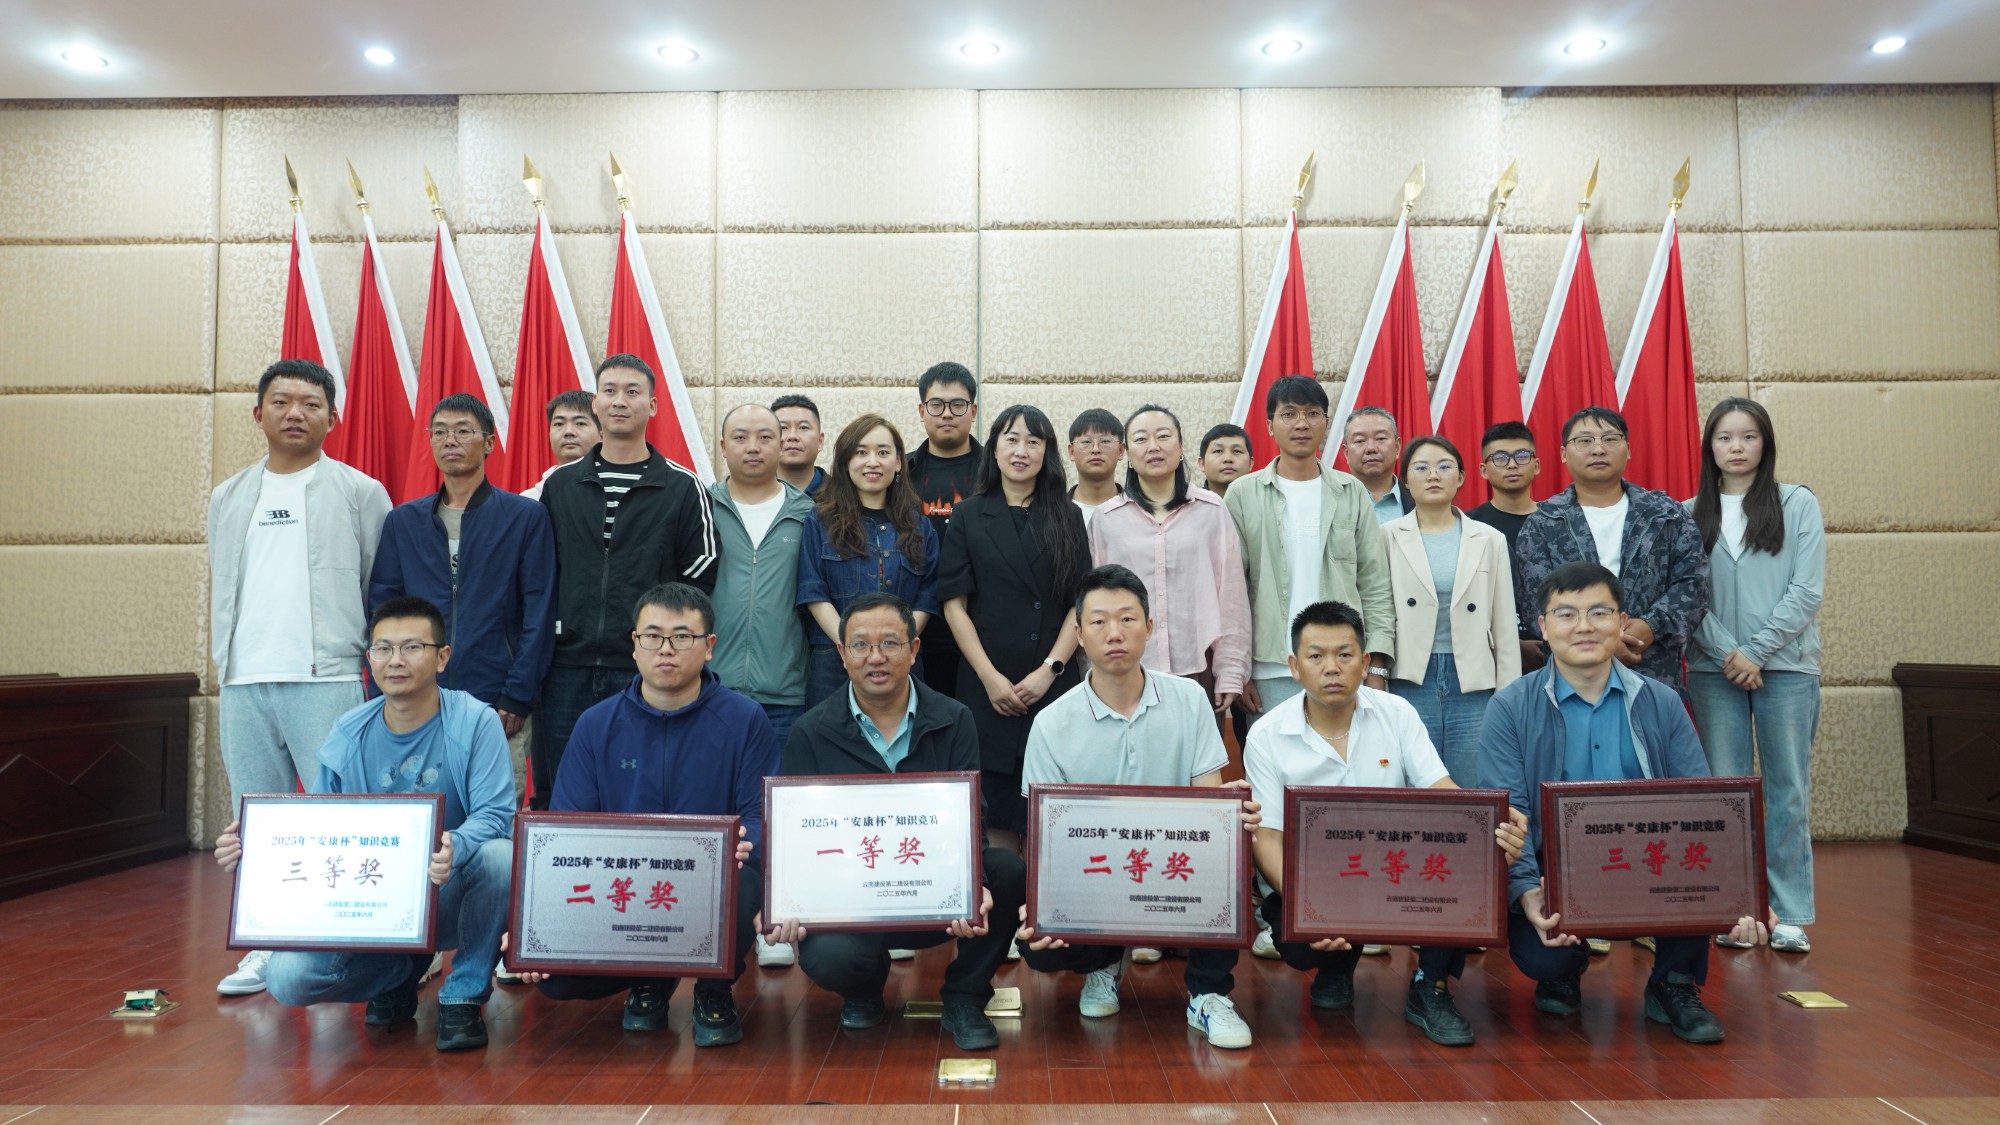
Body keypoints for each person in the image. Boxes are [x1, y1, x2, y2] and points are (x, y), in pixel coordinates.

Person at [1479, 562, 1771, 1044]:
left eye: (1599, 613)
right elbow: (1511, 817)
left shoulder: (1663, 702)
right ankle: (1561, 972)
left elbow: (1706, 810)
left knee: (1691, 870)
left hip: (1651, 869)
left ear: (1621, 621)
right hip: (1557, 877)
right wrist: (1528, 889)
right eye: (1567, 614)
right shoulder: (1510, 707)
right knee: (1542, 953)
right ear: (1543, 627)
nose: (1585, 626)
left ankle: (1674, 984)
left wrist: (1745, 895)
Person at [211, 596, 515, 1050]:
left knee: (500, 856)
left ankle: (463, 996)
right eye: (383, 649)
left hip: (447, 889)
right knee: (287, 979)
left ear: (442, 657)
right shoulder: (349, 732)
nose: (396, 660)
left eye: (412, 647)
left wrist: (455, 844)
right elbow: (315, 830)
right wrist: (252, 853)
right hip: (372, 900)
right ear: (369, 659)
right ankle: (398, 975)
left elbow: (495, 815)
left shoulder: (475, 721)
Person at [1243, 600, 1526, 1046]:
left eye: (1345, 654)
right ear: (1295, 667)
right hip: (1320, 880)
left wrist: (1488, 829)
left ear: (1365, 662)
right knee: (1296, 942)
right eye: (1316, 656)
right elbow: (1268, 837)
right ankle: (1335, 968)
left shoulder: (1397, 713)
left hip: (1397, 873)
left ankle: (1429, 986)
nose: (1332, 667)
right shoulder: (1267, 734)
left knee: (1463, 865)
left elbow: (1442, 791)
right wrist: (1308, 906)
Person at [1012, 565, 1261, 1049]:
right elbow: (1049, 839)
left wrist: (1230, 816)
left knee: (1232, 843)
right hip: (1098, 876)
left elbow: (1208, 804)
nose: (1114, 633)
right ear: (1079, 634)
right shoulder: (1052, 723)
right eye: (1099, 621)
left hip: (1173, 869)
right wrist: (1041, 903)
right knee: (1039, 948)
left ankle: (1208, 994)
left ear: (1149, 627)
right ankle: (1105, 962)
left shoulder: (1189, 699)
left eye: (1127, 619)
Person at [514, 583, 774, 1045]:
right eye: (652, 636)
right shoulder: (597, 724)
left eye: (682, 636)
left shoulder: (745, 719)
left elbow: (758, 818)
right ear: (634, 644)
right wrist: (533, 925)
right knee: (553, 976)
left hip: (709, 881)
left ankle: (714, 987)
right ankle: (649, 977)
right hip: (624, 883)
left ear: (709, 646)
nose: (665, 649)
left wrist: (741, 845)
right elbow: (568, 830)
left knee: (744, 872)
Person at [767, 594, 1027, 1051]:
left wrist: (975, 884)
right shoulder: (811, 730)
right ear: (842, 653)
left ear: (914, 649)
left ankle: (965, 998)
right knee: (830, 956)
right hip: (852, 900)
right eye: (861, 645)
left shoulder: (954, 719)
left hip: (933, 891)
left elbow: (972, 815)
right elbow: (794, 836)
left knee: (1005, 871)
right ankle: (865, 988)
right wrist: (785, 900)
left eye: (890, 643)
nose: (876, 657)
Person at [209, 359, 392, 996]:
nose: (295, 413)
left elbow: (380, 587)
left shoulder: (361, 492)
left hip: (328, 677)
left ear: (333, 418)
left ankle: (342, 941)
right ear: (258, 413)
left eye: (311, 404)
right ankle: (265, 942)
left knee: (338, 816)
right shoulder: (228, 496)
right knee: (254, 817)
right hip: (243, 678)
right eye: (282, 401)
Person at [535, 354, 720, 808]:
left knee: (644, 790)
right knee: (564, 794)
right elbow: (538, 572)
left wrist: (656, 633)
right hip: (565, 666)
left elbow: (701, 570)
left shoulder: (682, 485)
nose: (620, 401)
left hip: (646, 667)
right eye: (610, 391)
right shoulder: (560, 485)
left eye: (632, 392)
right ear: (596, 403)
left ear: (653, 406)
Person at [1686, 399, 1824, 954]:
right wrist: (1730, 654)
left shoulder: (1797, 503)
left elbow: (1806, 591)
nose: (1737, 447)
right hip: (1713, 669)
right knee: (1726, 792)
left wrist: (1757, 652)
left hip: (1786, 667)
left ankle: (1789, 914)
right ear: (1710, 447)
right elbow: (1688, 596)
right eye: (1725, 437)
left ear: (1765, 443)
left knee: (1788, 790)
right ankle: (1736, 908)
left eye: (1748, 436)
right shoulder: (1687, 512)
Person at [939, 404, 1091, 848]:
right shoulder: (968, 515)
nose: (1021, 451)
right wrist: (989, 678)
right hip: (988, 685)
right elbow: (954, 606)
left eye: (1033, 441)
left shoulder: (1068, 514)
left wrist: (1050, 671)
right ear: (994, 449)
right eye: (1011, 439)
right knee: (997, 820)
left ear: (1047, 452)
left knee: (1054, 819)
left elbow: (1079, 604)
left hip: (1052, 684)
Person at [369, 393, 556, 745]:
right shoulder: (403, 522)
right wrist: (384, 689)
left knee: (496, 784)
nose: (449, 440)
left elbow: (539, 612)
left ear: (489, 443)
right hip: (416, 697)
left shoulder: (524, 518)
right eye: (439, 432)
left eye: (463, 431)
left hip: (497, 700)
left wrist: (518, 693)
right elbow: (384, 611)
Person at [1225, 375, 1396, 724]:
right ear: (1269, 426)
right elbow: (1231, 591)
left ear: (1326, 423)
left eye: (1312, 413)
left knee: (1345, 756)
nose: (1301, 424)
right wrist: (1237, 669)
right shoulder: (1242, 494)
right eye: (1289, 414)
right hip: (1270, 667)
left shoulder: (1351, 492)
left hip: (1343, 663)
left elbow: (1374, 583)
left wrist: (1377, 664)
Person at [1513, 407, 1707, 695]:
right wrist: (1602, 638)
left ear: (1628, 449)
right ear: (1564, 454)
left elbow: (1693, 584)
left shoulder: (1666, 515)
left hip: (1652, 670)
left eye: (1610, 439)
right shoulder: (1543, 523)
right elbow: (1536, 602)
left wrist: (1650, 626)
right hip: (1575, 678)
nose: (1598, 449)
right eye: (1584, 441)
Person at [1087, 403, 1250, 738]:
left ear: (1181, 445)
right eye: (1141, 439)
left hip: (1199, 668)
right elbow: (1093, 604)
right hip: (1126, 669)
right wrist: (1093, 671)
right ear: (1126, 452)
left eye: (1163, 436)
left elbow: (1231, 597)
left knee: (1197, 766)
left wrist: (1231, 671)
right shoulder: (1106, 519)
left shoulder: (1211, 510)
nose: (1153, 447)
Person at [1381, 435, 1521, 787]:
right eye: (1421, 468)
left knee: (1472, 784)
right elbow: (1377, 613)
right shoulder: (1386, 536)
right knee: (1414, 782)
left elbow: (1504, 623)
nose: (1433, 475)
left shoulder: (1489, 538)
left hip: (1473, 678)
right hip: (1409, 676)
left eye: (1444, 467)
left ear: (1461, 477)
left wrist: (1508, 694)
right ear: (1406, 479)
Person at [797, 414, 940, 709]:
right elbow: (813, 591)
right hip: (834, 658)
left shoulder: (920, 526)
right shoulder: (820, 521)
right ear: (846, 462)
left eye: (883, 452)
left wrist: (895, 645)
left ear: (898, 462)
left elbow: (928, 596)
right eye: (861, 452)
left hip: (902, 660)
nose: (872, 462)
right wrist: (853, 646)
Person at [708, 404, 816, 750]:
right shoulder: (700, 508)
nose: (753, 447)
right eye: (740, 438)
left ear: (781, 444)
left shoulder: (809, 514)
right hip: (709, 689)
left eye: (765, 437)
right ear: (723, 446)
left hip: (785, 697)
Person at [906, 362, 981, 701]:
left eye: (958, 405)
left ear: (973, 411)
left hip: (981, 631)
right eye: (936, 404)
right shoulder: (899, 472)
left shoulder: (997, 472)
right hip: (915, 630)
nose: (947, 414)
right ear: (922, 411)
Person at [1467, 420, 1546, 672]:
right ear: (1483, 470)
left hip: (1557, 650)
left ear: (1536, 465)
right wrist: (1512, 644)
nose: (1512, 464)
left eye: (1522, 456)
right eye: (1500, 458)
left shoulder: (1558, 521)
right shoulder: (1468, 527)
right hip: (1487, 657)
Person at [522, 389, 600, 501]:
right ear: (549, 434)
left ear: (602, 434)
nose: (568, 432)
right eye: (559, 424)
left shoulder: (615, 490)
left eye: (580, 423)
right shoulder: (529, 500)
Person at [1341, 406, 1414, 523]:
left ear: (1397, 447)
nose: (1371, 448)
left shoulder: (1420, 499)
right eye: (1360, 441)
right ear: (1346, 453)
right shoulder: (1328, 500)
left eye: (1380, 438)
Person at [1065, 408, 1124, 526]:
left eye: (1105, 441)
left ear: (1121, 451)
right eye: (1086, 442)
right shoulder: (1052, 513)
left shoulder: (1138, 512)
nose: (1095, 449)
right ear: (1071, 452)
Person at [772, 393, 828, 495]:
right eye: (783, 428)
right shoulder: (749, 492)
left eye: (803, 427)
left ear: (820, 441)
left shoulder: (844, 494)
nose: (792, 436)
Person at [1198, 423, 1252, 497]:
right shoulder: (1188, 504)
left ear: (1250, 463)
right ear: (1202, 463)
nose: (1228, 459)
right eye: (1218, 451)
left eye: (1237, 451)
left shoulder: (1264, 503)